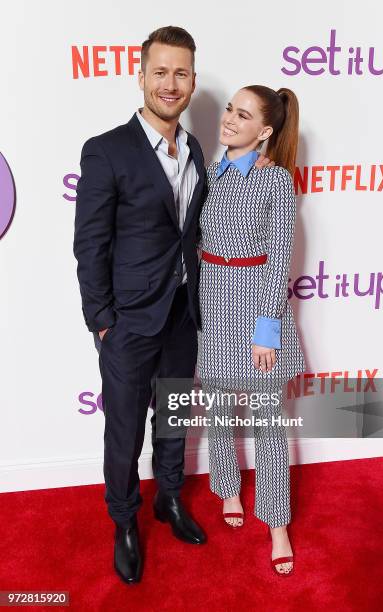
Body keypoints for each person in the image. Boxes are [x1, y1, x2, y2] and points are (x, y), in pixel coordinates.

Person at [73, 26, 272, 584]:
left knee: (175, 421)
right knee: (124, 431)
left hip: (186, 318)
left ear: (191, 80)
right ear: (141, 77)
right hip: (129, 324)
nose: (171, 83)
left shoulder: (197, 153)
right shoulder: (106, 150)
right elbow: (90, 245)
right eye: (160, 72)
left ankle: (168, 499)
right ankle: (124, 522)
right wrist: (103, 321)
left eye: (181, 73)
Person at [197, 85, 306, 576]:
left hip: (254, 309)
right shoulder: (211, 172)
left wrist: (267, 330)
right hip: (212, 304)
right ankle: (226, 488)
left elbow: (278, 257)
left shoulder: (276, 181)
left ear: (264, 131)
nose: (229, 120)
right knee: (218, 410)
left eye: (243, 115)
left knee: (268, 424)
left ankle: (277, 521)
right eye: (229, 109)